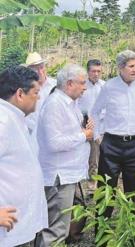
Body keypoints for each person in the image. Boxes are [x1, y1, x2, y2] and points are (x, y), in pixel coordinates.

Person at [91, 50, 135, 219]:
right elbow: (95, 112)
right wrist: (98, 137)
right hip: (111, 145)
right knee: (105, 192)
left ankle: (133, 237)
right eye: (131, 66)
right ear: (120, 68)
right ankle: (101, 236)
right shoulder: (109, 87)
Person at [35, 64, 92, 246]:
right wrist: (84, 135)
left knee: (58, 227)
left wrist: (83, 129)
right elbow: (54, 143)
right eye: (82, 83)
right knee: (56, 230)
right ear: (69, 84)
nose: (85, 87)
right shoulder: (55, 105)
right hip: (59, 176)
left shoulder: (69, 103)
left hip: (68, 174)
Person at [0, 66, 48, 246]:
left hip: (18, 226)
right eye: (36, 92)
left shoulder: (14, 118)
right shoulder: (3, 122)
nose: (39, 97)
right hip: (8, 232)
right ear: (20, 94)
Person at [77, 59, 106, 193]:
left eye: (98, 71)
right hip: (84, 123)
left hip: (101, 125)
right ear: (88, 72)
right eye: (93, 71)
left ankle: (95, 184)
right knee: (87, 155)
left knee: (97, 156)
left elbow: (108, 107)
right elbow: (77, 105)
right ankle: (87, 184)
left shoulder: (104, 86)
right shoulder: (82, 86)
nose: (96, 74)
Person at [24, 52, 57, 155]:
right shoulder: (25, 87)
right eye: (35, 69)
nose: (40, 71)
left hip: (52, 132)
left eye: (41, 67)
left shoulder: (56, 85)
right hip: (30, 131)